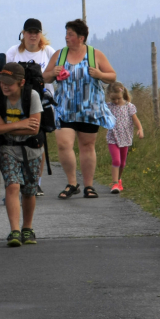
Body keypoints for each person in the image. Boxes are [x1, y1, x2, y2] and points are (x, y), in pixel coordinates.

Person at [42, 19, 117, 200]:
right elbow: (44, 76)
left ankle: (89, 186)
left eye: (70, 34)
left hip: (89, 109)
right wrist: (52, 73)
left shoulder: (94, 54)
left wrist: (99, 75)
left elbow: (112, 76)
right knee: (63, 144)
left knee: (87, 146)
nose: (66, 37)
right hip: (64, 108)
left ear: (81, 38)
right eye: (66, 34)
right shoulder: (59, 55)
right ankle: (72, 182)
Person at [0, 63, 43, 247]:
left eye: (9, 83)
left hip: (31, 150)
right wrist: (19, 125)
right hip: (8, 149)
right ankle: (14, 230)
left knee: (29, 191)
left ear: (22, 82)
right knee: (12, 186)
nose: (5, 86)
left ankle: (27, 228)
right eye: (2, 82)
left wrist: (4, 127)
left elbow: (34, 130)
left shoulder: (32, 96)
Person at [6, 18, 56, 196]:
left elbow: (55, 74)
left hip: (41, 103)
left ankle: (36, 181)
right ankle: (18, 178)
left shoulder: (48, 52)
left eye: (36, 32)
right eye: (30, 32)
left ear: (40, 34)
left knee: (38, 142)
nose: (33, 35)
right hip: (17, 102)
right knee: (17, 141)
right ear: (23, 33)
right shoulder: (14, 52)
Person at [105, 82, 143, 195]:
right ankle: (114, 183)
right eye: (113, 99)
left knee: (122, 163)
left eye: (118, 98)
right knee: (116, 160)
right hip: (113, 137)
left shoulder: (129, 106)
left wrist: (140, 129)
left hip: (125, 137)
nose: (116, 101)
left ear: (122, 93)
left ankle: (119, 180)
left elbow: (135, 119)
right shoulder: (108, 106)